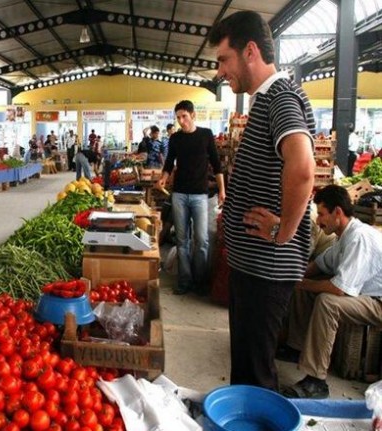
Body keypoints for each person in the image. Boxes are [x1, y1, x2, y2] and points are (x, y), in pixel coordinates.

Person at [209, 10, 316, 390]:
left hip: (266, 268)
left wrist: (282, 230)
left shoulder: (280, 98)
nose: (221, 71)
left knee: (255, 376)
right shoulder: (267, 100)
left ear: (250, 50)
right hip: (254, 266)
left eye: (224, 59)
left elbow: (302, 167)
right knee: (246, 368)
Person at [278, 185, 382, 399]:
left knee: (328, 302)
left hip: (377, 302)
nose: (318, 221)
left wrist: (302, 283)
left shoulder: (358, 237)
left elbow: (339, 289)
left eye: (322, 214)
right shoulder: (343, 236)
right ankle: (296, 347)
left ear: (338, 213)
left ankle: (316, 381)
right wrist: (295, 275)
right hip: (364, 295)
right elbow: (319, 264)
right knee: (304, 285)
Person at [156, 100, 225, 296]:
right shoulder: (176, 139)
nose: (181, 121)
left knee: (201, 240)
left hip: (200, 196)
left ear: (193, 115)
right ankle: (185, 281)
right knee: (182, 239)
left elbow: (217, 165)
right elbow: (169, 163)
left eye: (184, 116)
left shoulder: (205, 135)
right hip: (179, 194)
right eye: (178, 118)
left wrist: (222, 190)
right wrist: (163, 178)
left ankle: (200, 281)